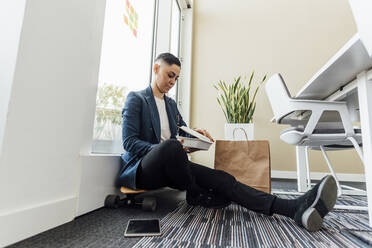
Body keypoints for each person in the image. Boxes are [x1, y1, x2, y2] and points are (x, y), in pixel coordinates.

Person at [116, 52, 338, 232]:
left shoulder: (172, 105)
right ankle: (195, 192)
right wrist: (168, 149)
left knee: (223, 179)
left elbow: (181, 132)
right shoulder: (136, 99)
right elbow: (130, 143)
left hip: (173, 167)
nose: (172, 82)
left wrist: (195, 136)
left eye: (176, 78)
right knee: (172, 147)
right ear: (156, 69)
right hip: (143, 169)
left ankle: (292, 208)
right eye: (169, 75)